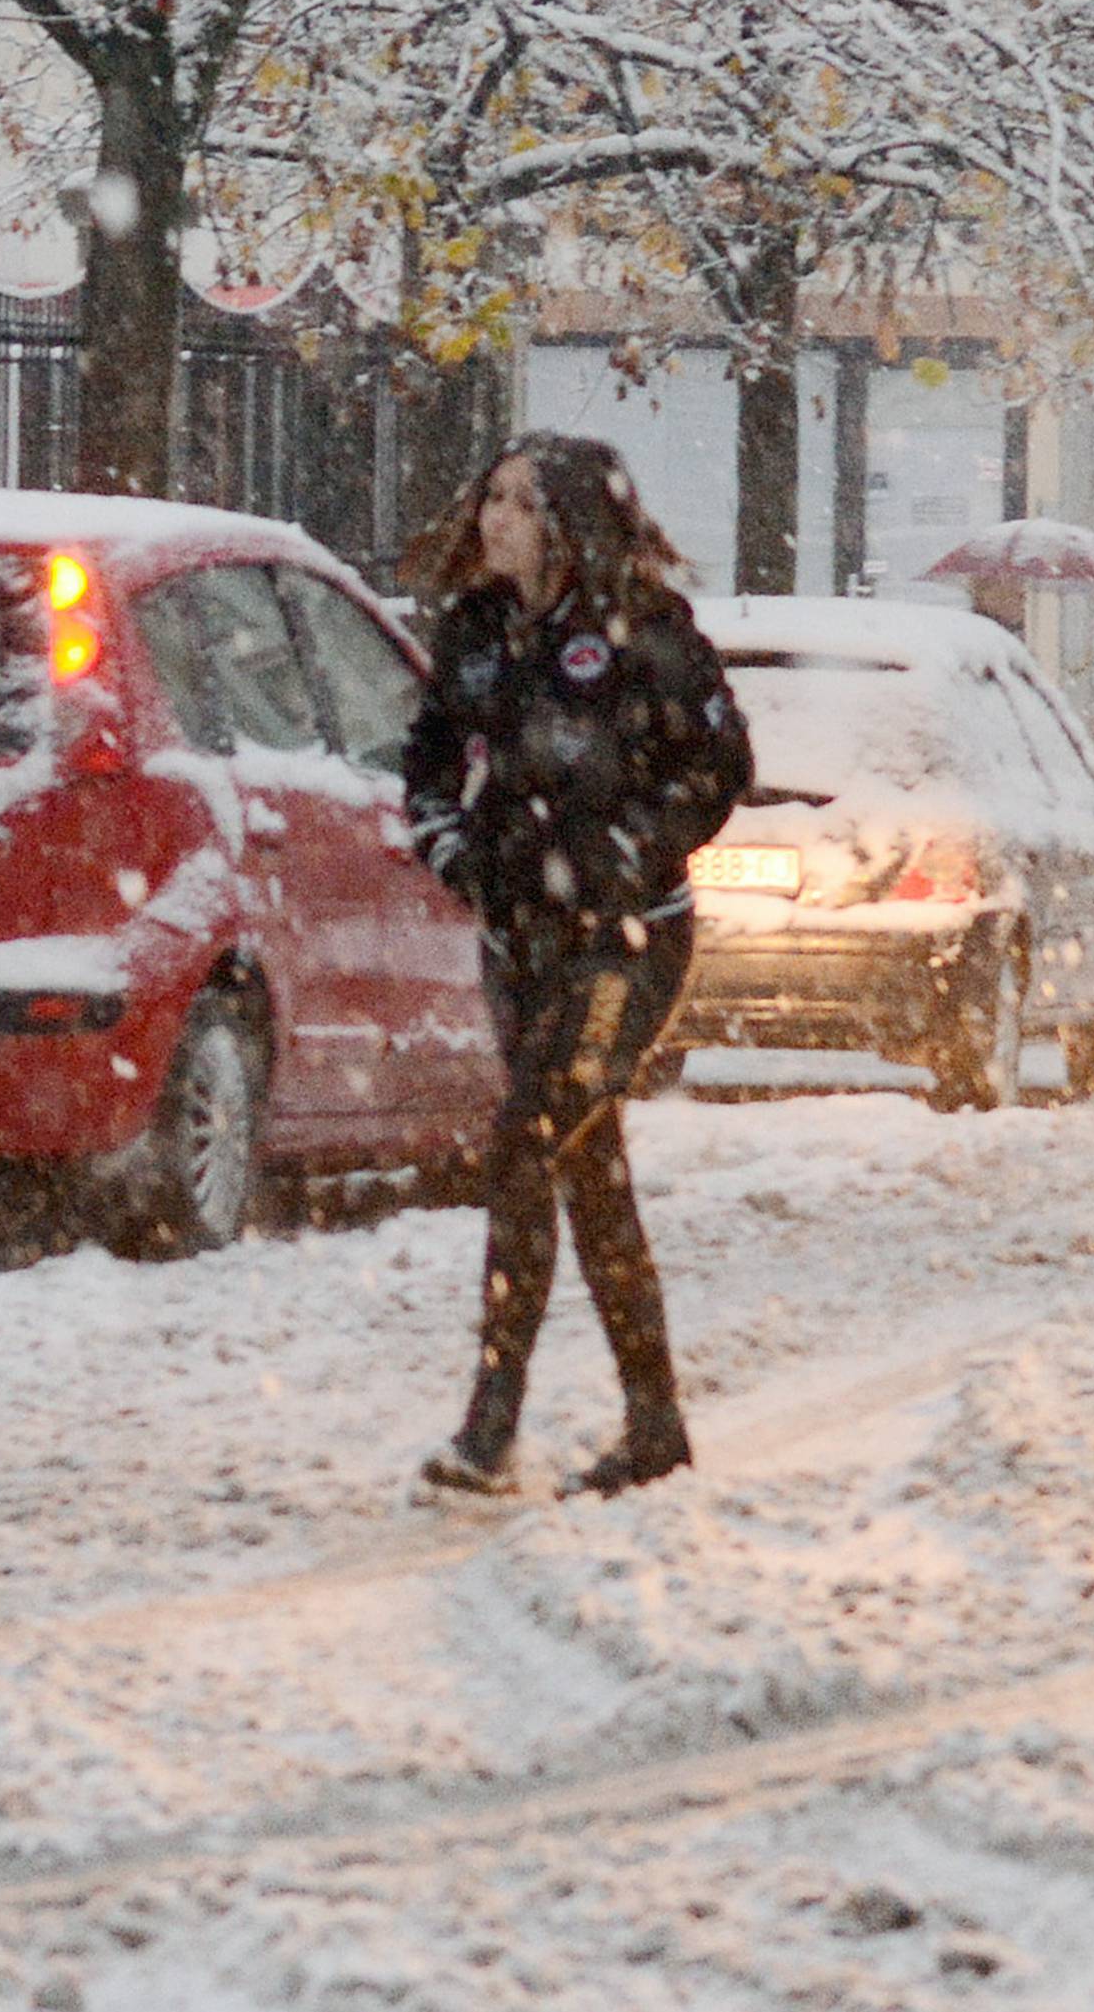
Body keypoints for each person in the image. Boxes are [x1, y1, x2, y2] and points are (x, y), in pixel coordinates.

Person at [401, 433, 753, 1499]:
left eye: (516, 502)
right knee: (589, 1174)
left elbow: (721, 767)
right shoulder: (473, 632)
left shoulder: (644, 633)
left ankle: (490, 1423)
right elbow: (423, 759)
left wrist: (625, 850)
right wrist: (452, 848)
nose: (492, 519)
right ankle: (656, 1425)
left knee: (526, 1141)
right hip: (523, 943)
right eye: (490, 498)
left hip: (624, 943)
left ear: (566, 521)